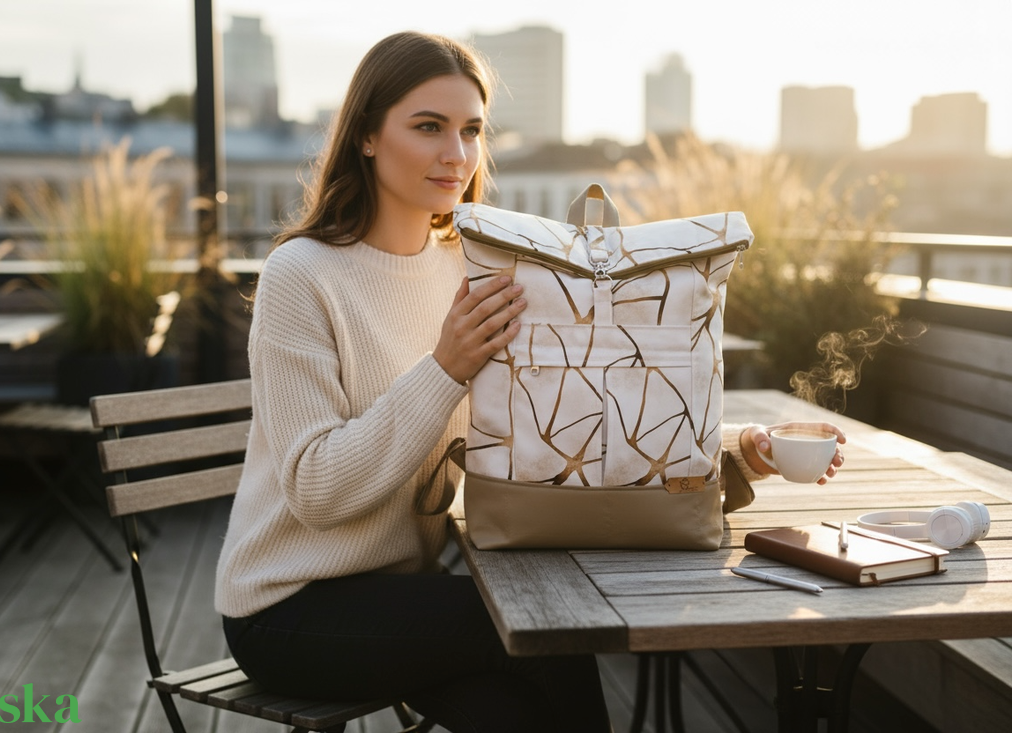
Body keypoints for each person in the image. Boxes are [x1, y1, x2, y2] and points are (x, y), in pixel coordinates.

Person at [215, 30, 845, 733]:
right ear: (366, 134)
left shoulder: (472, 269)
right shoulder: (300, 276)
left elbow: (572, 402)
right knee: (545, 635)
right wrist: (446, 367)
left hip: (408, 592)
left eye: (472, 130)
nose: (456, 154)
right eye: (429, 127)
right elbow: (316, 490)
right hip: (289, 606)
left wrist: (731, 449)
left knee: (518, 709)